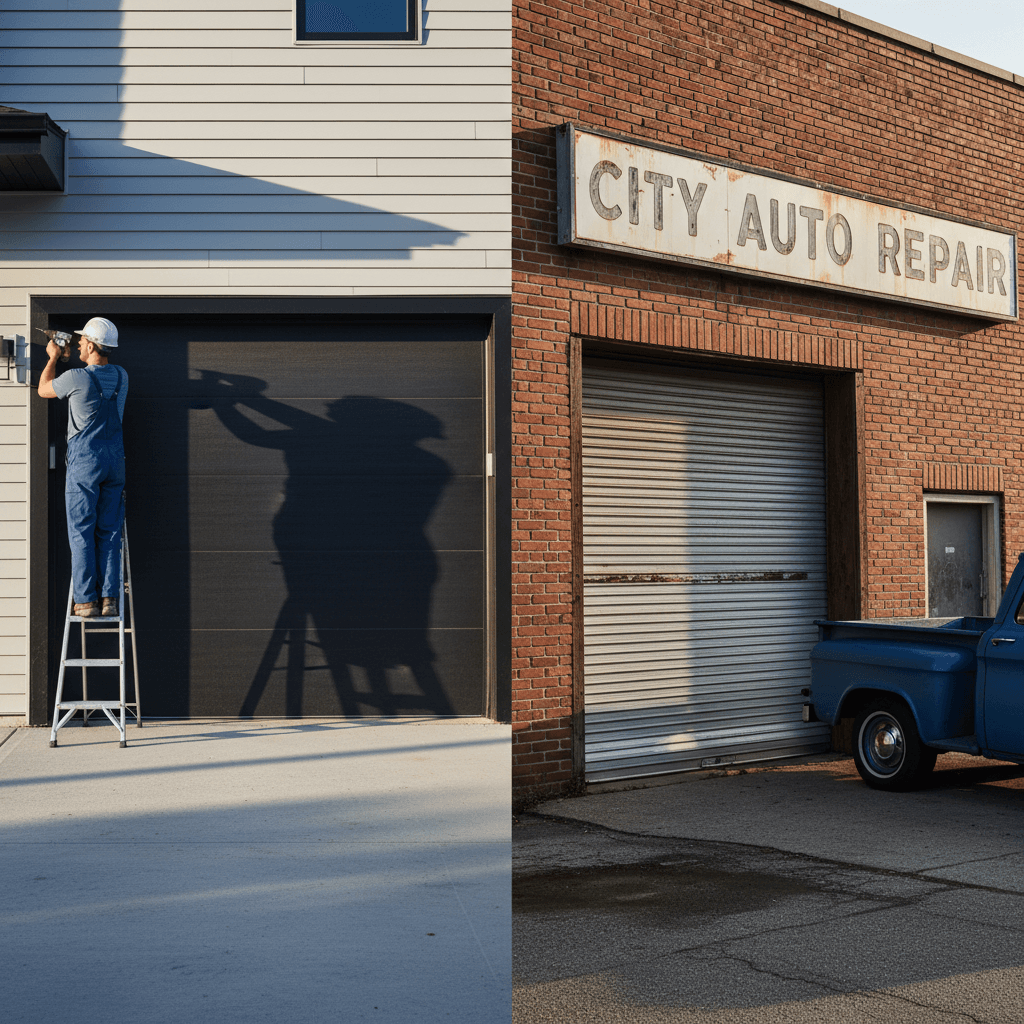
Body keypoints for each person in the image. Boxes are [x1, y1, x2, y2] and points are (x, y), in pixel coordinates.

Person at [37, 317, 128, 618]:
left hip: (85, 461)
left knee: (81, 530)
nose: (77, 345)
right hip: (114, 460)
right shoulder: (122, 376)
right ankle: (110, 598)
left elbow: (44, 389)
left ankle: (86, 601)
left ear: (90, 345)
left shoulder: (76, 377)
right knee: (110, 530)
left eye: (80, 342)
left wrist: (52, 358)